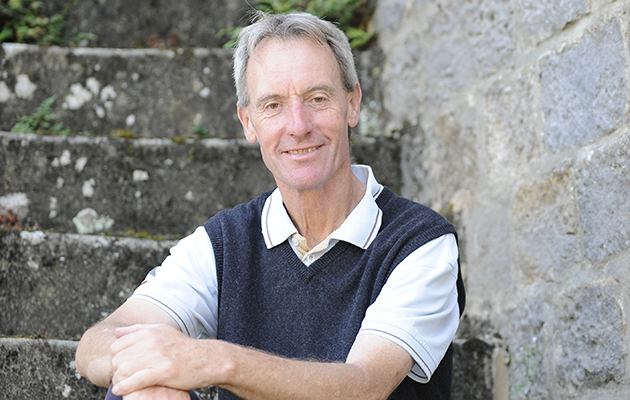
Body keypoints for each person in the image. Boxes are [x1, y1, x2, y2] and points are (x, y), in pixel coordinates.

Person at [75, 11, 465, 400]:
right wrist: (144, 360)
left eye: (317, 98)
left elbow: (363, 387)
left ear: (353, 103)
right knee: (148, 393)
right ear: (248, 122)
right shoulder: (225, 243)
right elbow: (94, 345)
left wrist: (214, 361)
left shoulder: (420, 244)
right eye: (273, 105)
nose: (298, 125)